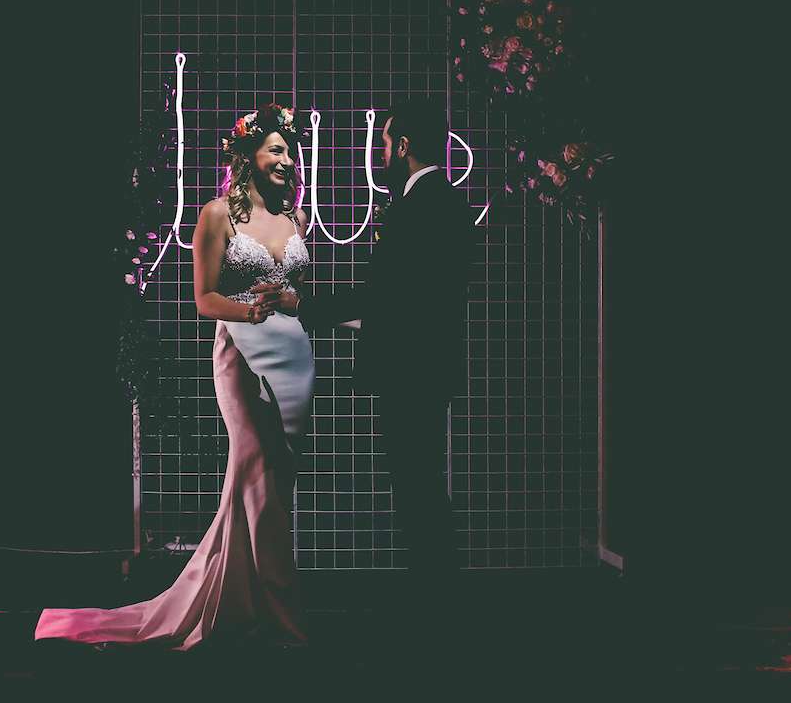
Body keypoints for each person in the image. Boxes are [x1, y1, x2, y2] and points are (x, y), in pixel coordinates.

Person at [34, 103, 313, 651]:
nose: (287, 159)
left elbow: (300, 294)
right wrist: (250, 311)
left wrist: (290, 301)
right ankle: (285, 619)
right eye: (276, 149)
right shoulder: (216, 215)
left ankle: (235, 604)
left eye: (291, 151)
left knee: (268, 483)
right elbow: (204, 298)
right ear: (249, 154)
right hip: (239, 353)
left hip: (292, 359)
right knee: (258, 477)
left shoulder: (295, 219)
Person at [295, 99, 477, 649]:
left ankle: (436, 605)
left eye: (384, 143)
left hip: (412, 370)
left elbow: (391, 300)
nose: (380, 153)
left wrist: (309, 308)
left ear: (403, 146)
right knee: (420, 483)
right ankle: (436, 600)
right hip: (424, 366)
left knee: (417, 485)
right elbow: (401, 299)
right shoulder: (443, 201)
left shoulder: (423, 206)